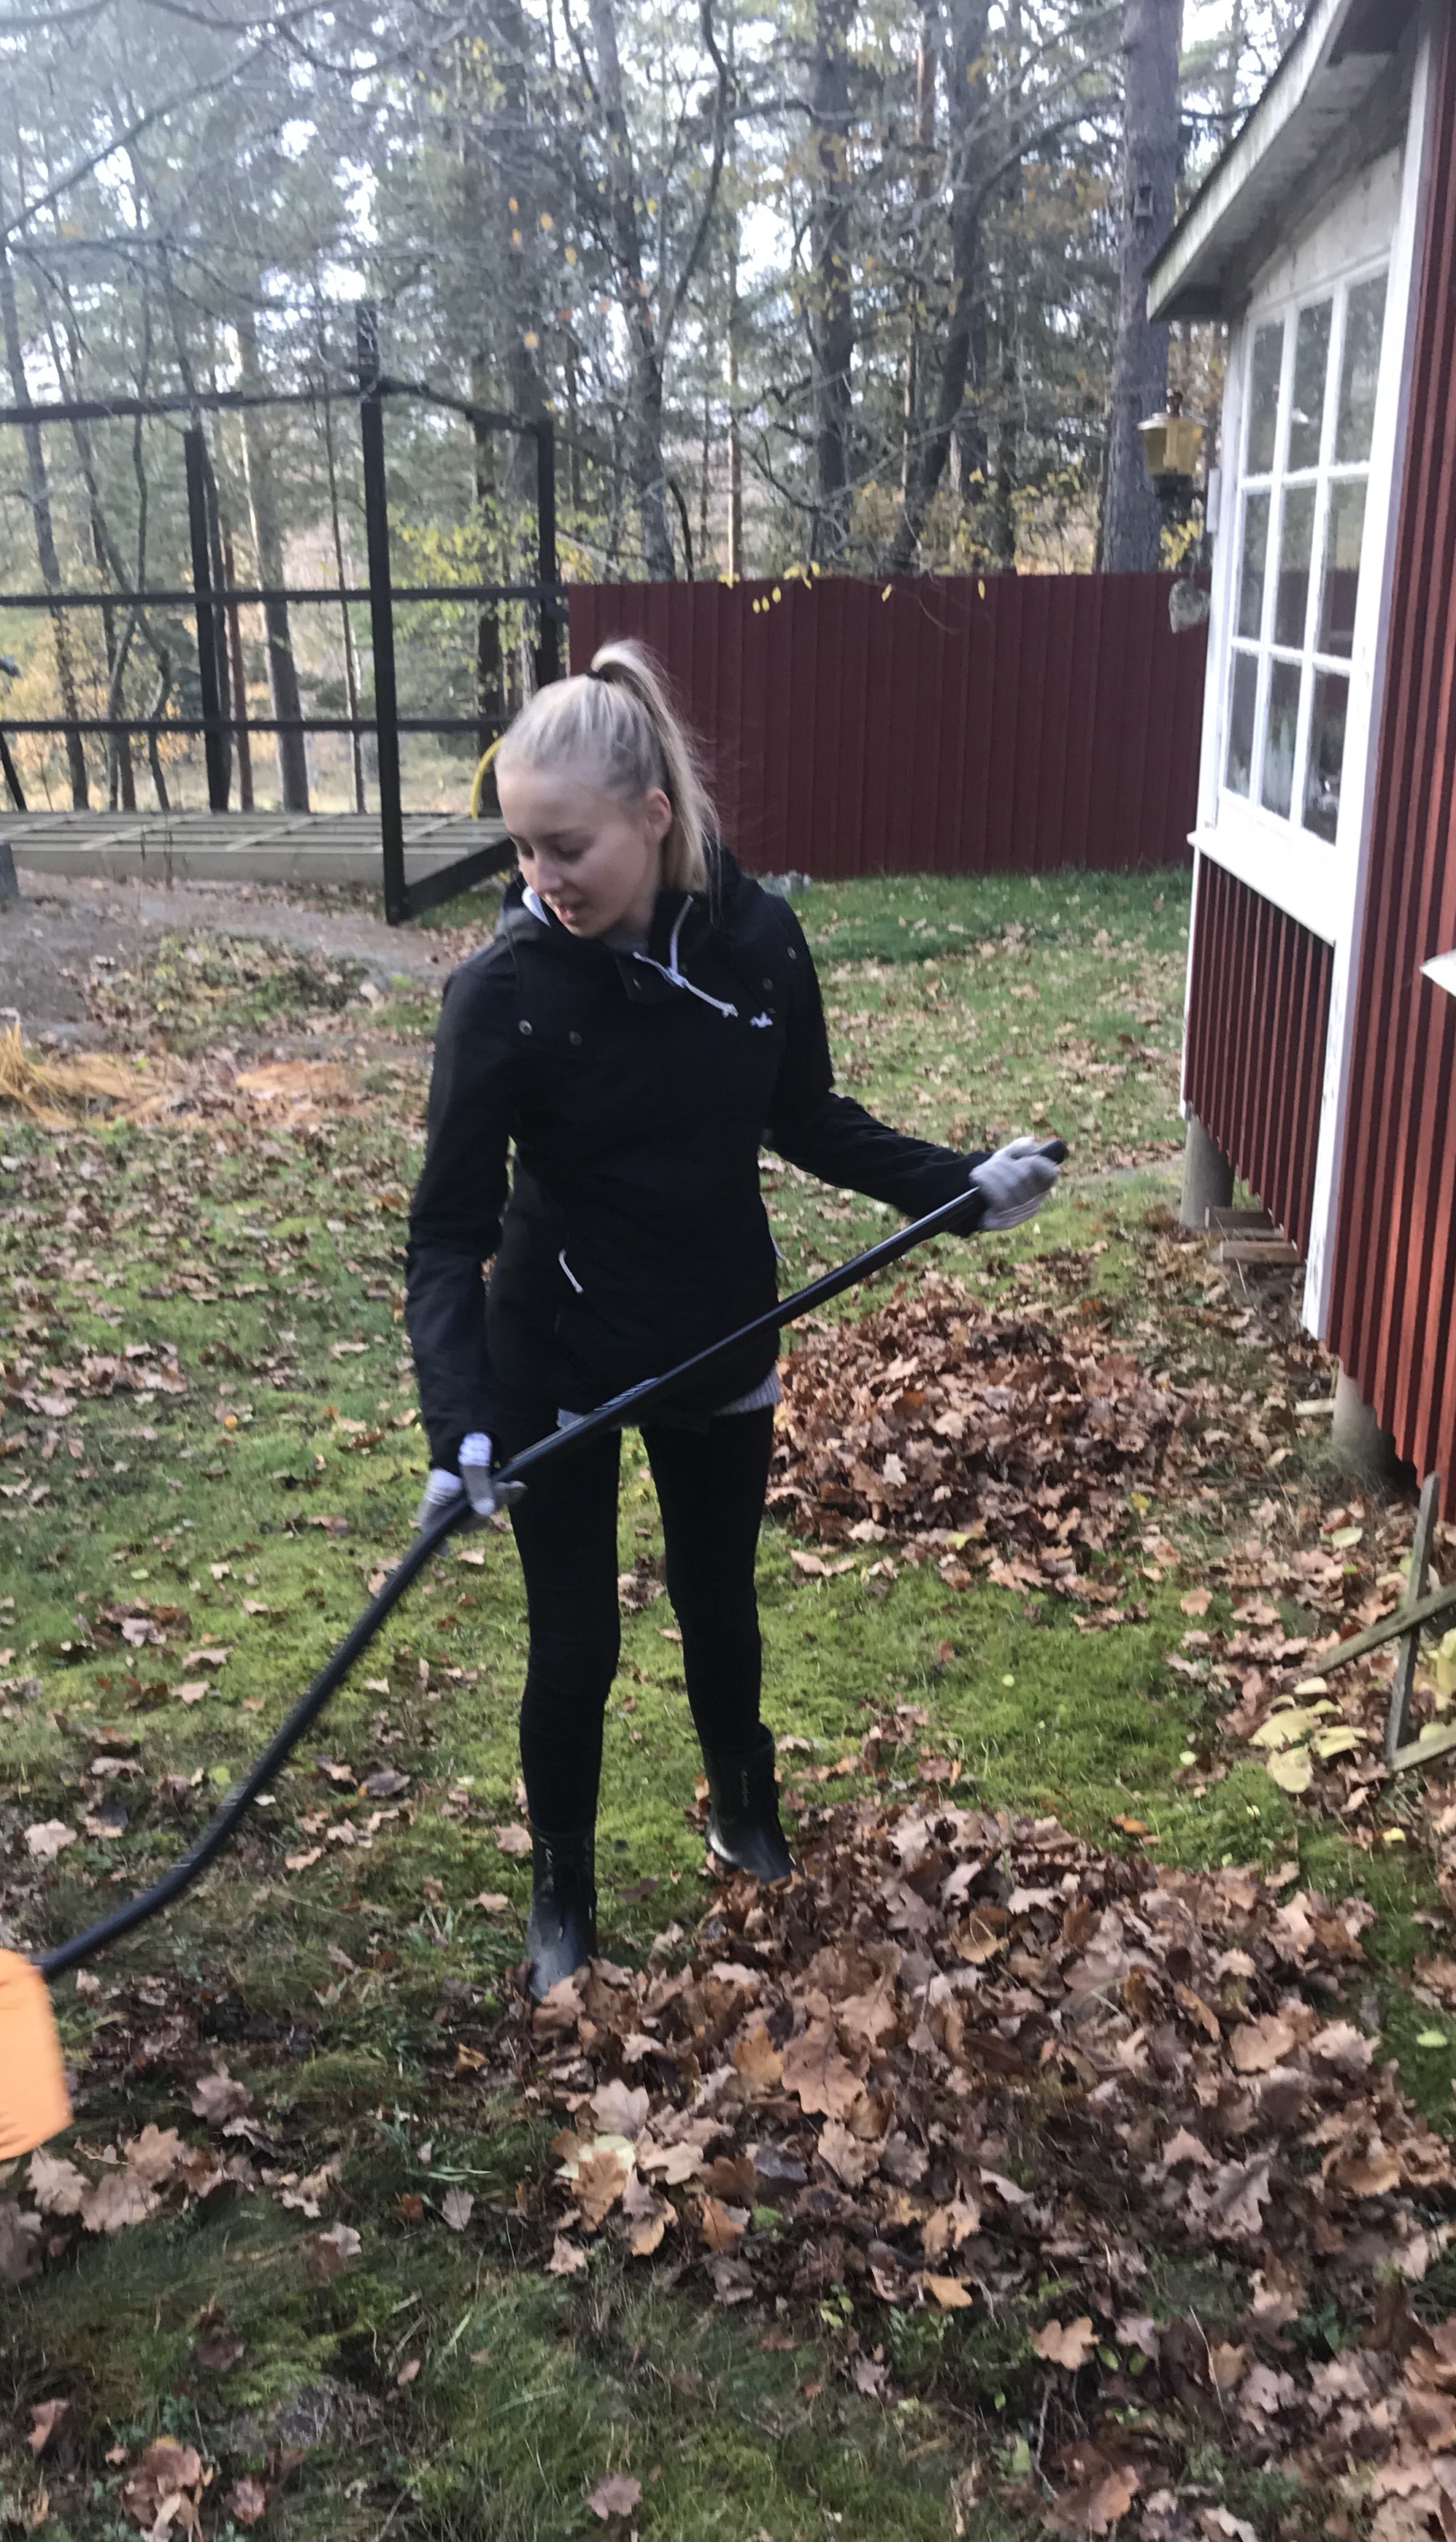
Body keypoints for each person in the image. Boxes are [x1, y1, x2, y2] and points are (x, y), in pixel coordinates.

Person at [404, 641, 1060, 2000]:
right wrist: (458, 1424)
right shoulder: (501, 997)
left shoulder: (757, 944)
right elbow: (448, 1235)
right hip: (559, 1354)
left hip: (713, 1329)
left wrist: (959, 1188)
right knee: (575, 1642)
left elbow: (804, 1115)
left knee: (718, 1601)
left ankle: (742, 1807)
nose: (540, 878)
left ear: (653, 815)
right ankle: (562, 1889)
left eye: (567, 846)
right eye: (521, 849)